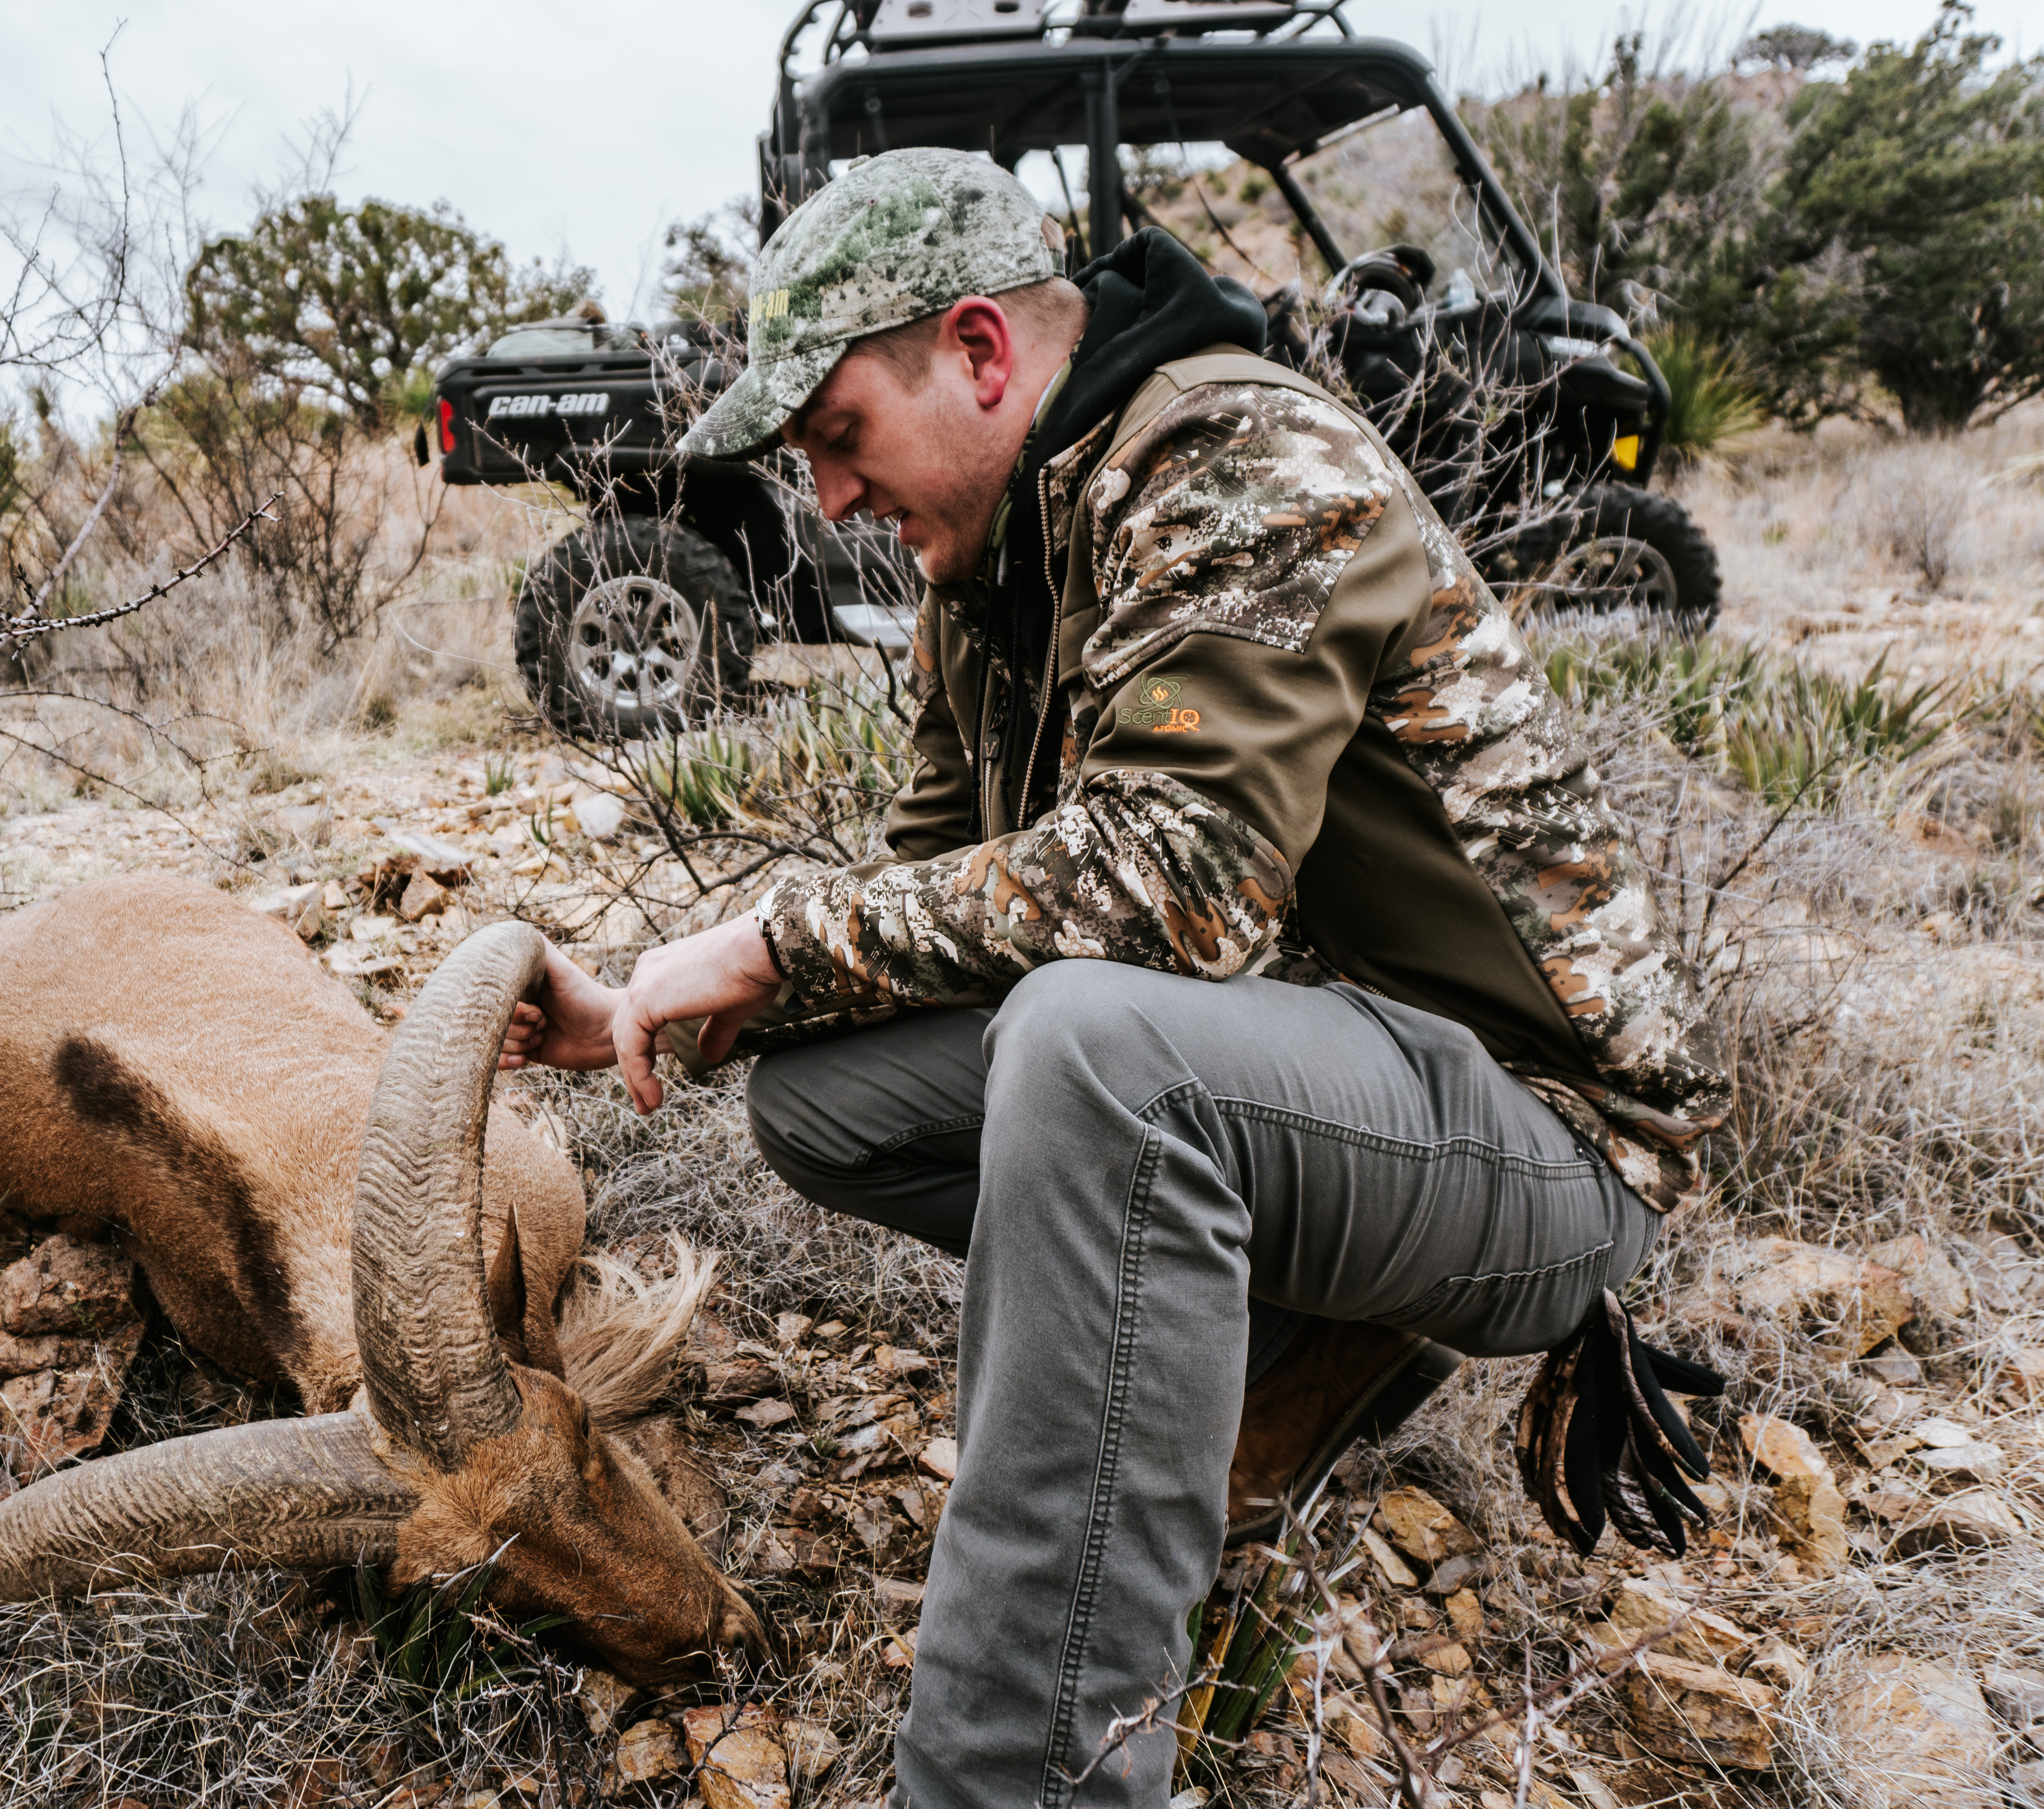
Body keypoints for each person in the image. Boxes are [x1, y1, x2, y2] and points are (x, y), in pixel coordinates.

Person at [501, 147, 1729, 1809]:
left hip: (1549, 1142)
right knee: (822, 1102)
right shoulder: (988, 568)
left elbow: (1190, 889)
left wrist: (777, 937)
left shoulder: (1234, 451)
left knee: (1096, 1049)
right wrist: (649, 1007)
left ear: (984, 353)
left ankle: (1021, 1777)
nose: (833, 503)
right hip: (1327, 1090)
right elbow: (922, 909)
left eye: (841, 438)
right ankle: (1278, 1337)